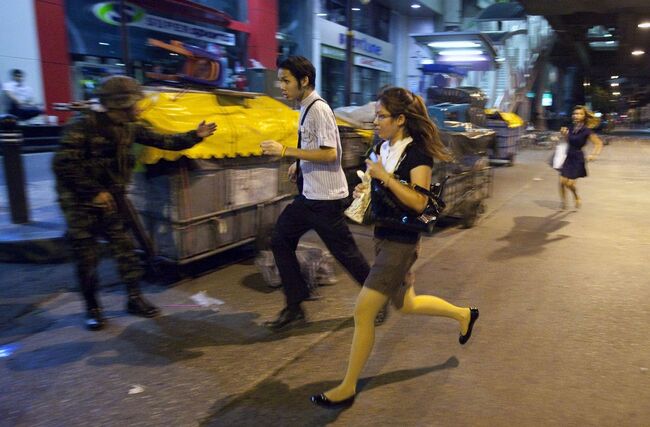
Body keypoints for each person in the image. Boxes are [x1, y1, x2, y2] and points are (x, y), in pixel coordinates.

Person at [310, 87, 479, 408]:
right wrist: (367, 187)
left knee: (363, 311)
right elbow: (382, 187)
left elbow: (418, 201)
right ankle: (463, 314)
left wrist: (385, 178)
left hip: (401, 243)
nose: (375, 121)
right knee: (407, 304)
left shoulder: (417, 155)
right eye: (376, 114)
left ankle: (347, 387)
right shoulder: (382, 147)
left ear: (401, 119)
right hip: (383, 236)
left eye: (382, 116)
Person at [53, 75, 216, 330]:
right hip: (79, 201)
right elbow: (63, 164)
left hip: (111, 198)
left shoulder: (130, 126)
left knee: (125, 250)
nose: (139, 107)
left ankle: (134, 298)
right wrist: (93, 192)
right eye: (134, 103)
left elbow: (163, 141)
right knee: (87, 257)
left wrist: (195, 135)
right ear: (119, 105)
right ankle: (92, 308)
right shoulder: (84, 125)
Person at [260, 56, 383, 330]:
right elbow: (316, 148)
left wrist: (285, 151)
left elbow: (329, 154)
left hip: (325, 201)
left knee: (346, 254)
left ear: (304, 81)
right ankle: (295, 304)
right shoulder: (304, 107)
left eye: (286, 80)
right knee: (280, 239)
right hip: (309, 196)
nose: (281, 86)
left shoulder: (318, 109)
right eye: (280, 80)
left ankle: (377, 300)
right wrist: (298, 163)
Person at [558, 105, 603, 209]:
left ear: (584, 116)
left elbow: (598, 143)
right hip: (568, 156)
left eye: (579, 114)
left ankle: (576, 197)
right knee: (561, 181)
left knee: (569, 184)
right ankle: (564, 202)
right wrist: (564, 135)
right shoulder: (570, 128)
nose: (576, 115)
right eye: (575, 113)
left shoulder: (586, 131)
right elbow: (568, 141)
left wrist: (593, 155)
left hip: (578, 158)